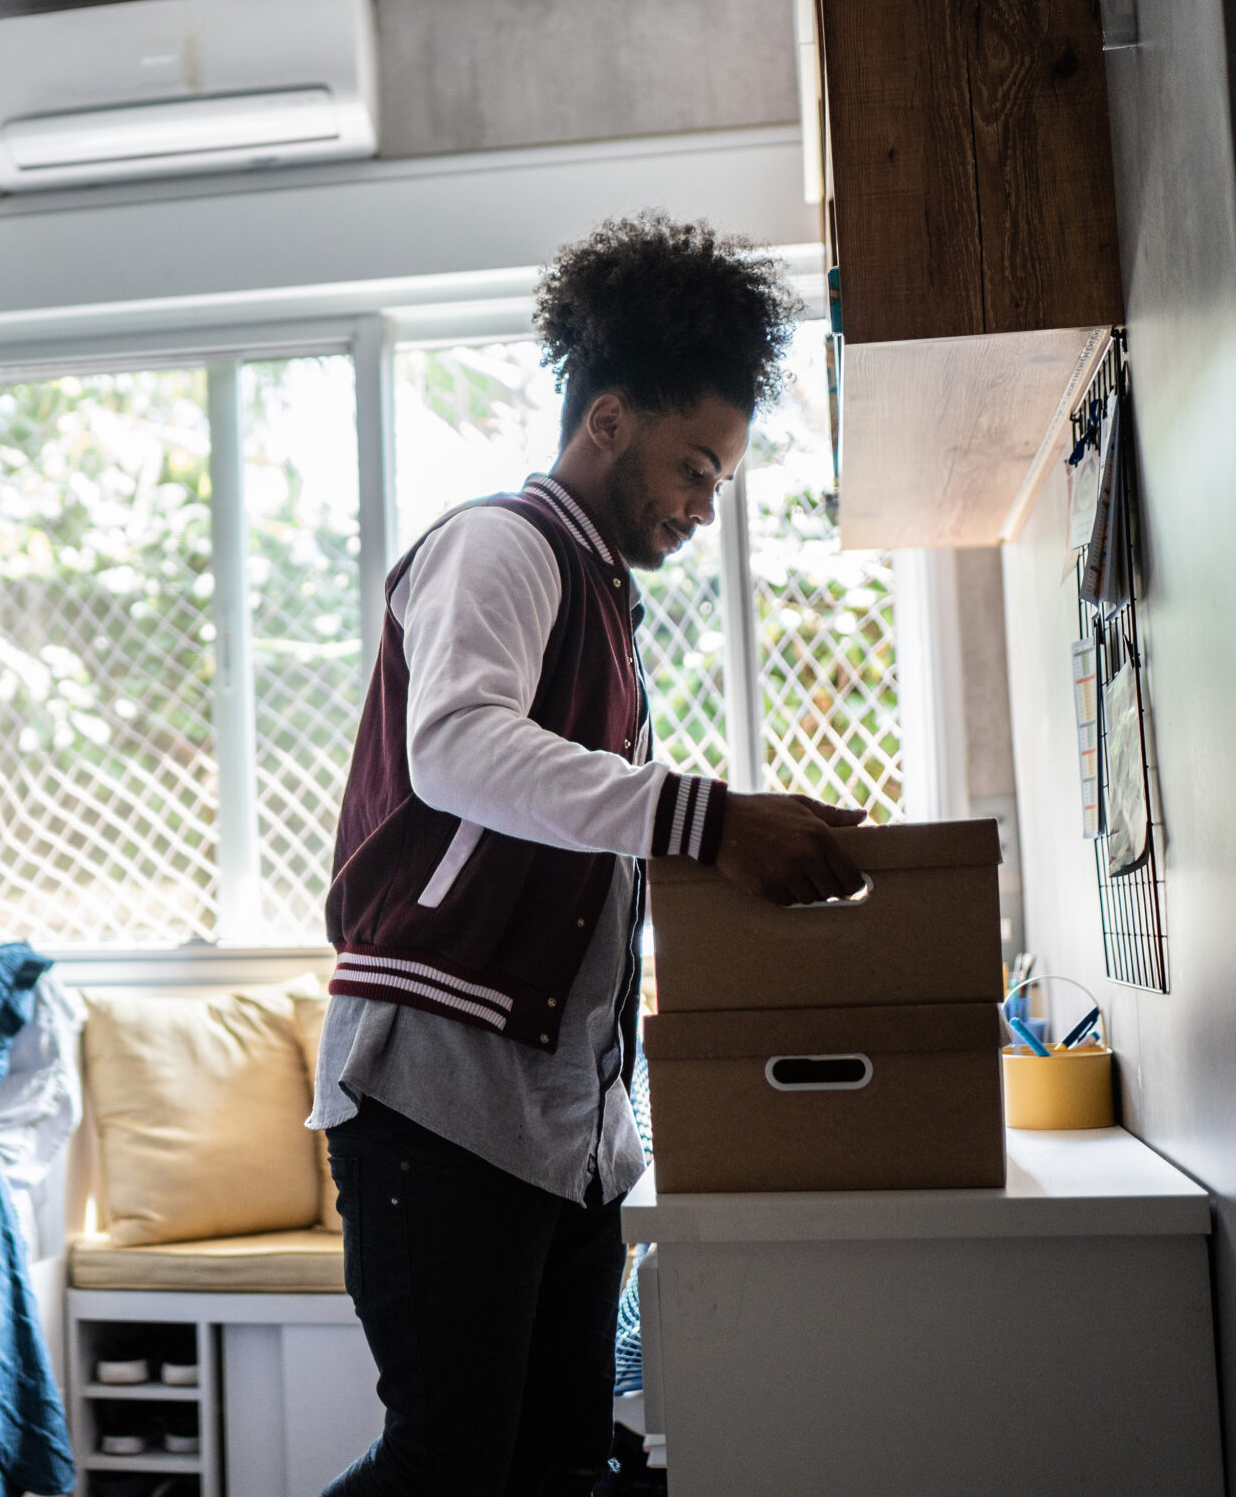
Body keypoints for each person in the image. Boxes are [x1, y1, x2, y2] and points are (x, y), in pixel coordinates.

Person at [311, 211, 868, 1496]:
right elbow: (457, 750)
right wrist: (711, 819)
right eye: (693, 467)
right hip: (438, 1095)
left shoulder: (602, 601)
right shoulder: (500, 545)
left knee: (557, 1468)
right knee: (449, 1466)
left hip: (562, 1124)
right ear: (607, 419)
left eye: (720, 481)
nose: (702, 505)